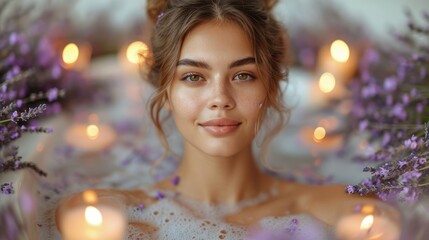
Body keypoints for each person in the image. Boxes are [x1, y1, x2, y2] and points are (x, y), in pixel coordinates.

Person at [57, 0, 387, 239]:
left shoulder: (344, 211)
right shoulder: (101, 217)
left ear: (271, 87)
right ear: (165, 91)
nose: (220, 99)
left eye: (243, 75)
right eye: (193, 77)